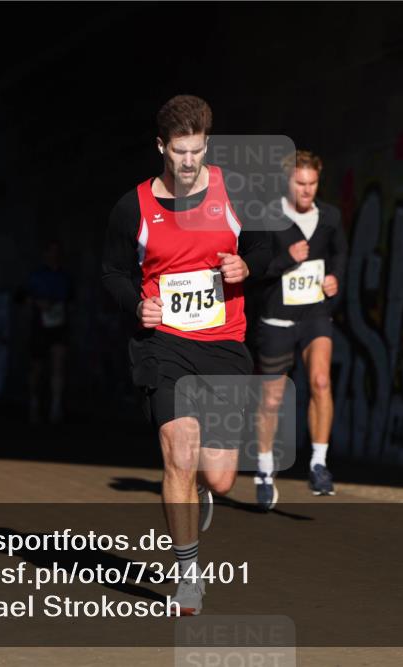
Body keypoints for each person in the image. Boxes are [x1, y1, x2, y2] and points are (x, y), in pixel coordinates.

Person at [102, 95, 269, 615]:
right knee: (177, 453)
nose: (189, 162)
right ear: (161, 147)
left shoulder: (235, 190)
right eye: (179, 152)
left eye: (197, 150)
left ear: (207, 146)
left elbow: (265, 247)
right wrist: (138, 306)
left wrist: (247, 267)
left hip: (224, 343)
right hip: (165, 344)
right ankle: (189, 574)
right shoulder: (132, 206)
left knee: (216, 474)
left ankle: (202, 492)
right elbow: (112, 272)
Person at [252, 150, 348, 507]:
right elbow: (255, 269)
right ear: (286, 181)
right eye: (300, 183)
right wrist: (284, 260)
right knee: (272, 398)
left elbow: (340, 254)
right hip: (277, 317)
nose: (307, 191)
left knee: (321, 381)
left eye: (312, 184)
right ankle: (264, 470)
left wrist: (336, 279)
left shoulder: (331, 217)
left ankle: (319, 464)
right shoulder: (268, 217)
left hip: (315, 314)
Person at [23, 239, 70, 424]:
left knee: (58, 364)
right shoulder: (36, 276)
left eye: (57, 252)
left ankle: (55, 406)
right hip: (40, 326)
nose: (54, 255)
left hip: (59, 326)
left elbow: (71, 302)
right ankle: (34, 403)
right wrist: (38, 303)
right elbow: (23, 298)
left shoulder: (65, 277)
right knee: (37, 367)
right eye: (50, 251)